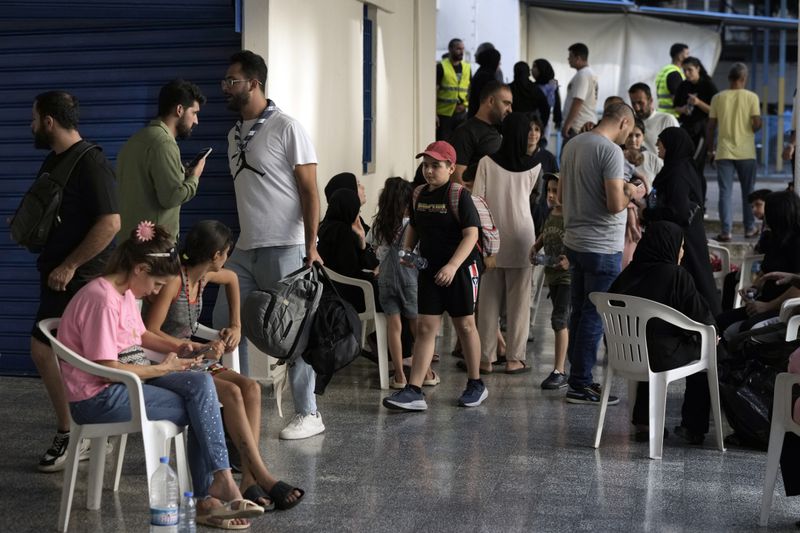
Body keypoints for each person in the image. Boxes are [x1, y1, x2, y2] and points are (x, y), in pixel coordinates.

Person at [57, 223, 265, 529]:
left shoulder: (124, 292)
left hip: (126, 383)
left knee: (201, 383)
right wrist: (160, 369)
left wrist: (185, 347)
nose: (156, 292)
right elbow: (109, 368)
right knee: (201, 406)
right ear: (141, 268)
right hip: (98, 397)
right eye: (156, 284)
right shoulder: (102, 299)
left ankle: (217, 484)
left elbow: (140, 336)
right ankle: (210, 495)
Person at [142, 220, 304, 511]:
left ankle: (248, 480)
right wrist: (191, 347)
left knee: (251, 388)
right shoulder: (176, 281)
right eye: (227, 252)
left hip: (193, 360)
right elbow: (150, 333)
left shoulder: (202, 277)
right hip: (167, 363)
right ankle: (262, 476)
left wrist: (236, 325)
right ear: (216, 254)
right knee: (231, 392)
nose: (227, 259)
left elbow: (231, 281)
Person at [213, 50, 324, 441]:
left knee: (292, 332)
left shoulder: (286, 127)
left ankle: (309, 412)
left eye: (232, 81)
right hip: (246, 247)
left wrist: (311, 245)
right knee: (224, 325)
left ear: (254, 83)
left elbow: (310, 191)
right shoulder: (233, 134)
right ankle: (234, 401)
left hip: (286, 245)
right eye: (225, 81)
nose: (225, 88)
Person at [26, 91, 121, 472]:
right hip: (56, 275)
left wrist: (70, 265)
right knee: (62, 355)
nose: (30, 126)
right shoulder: (55, 160)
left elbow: (111, 223)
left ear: (49, 121)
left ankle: (74, 433)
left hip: (76, 279)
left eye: (34, 118)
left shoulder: (91, 163)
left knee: (46, 350)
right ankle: (89, 432)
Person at [382, 141, 486, 410]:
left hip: (461, 269)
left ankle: (476, 383)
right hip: (429, 269)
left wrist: (452, 266)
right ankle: (414, 389)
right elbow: (414, 226)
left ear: (451, 168)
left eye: (436, 166)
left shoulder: (458, 195)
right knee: (426, 326)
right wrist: (406, 251)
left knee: (465, 326)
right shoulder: (418, 194)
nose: (429, 171)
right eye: (426, 165)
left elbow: (471, 234)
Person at [558, 102, 642, 404]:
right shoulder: (610, 151)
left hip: (575, 241)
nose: (628, 137)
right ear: (623, 122)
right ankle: (580, 384)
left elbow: (563, 194)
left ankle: (576, 378)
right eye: (629, 131)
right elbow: (613, 204)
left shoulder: (572, 145)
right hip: (602, 245)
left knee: (579, 310)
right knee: (594, 315)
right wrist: (633, 192)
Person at [609, 221, 715, 444]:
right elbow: (702, 319)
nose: (683, 251)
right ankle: (692, 426)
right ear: (670, 245)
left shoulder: (627, 273)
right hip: (660, 356)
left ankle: (644, 421)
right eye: (681, 246)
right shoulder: (677, 276)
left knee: (654, 342)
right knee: (706, 349)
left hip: (624, 353)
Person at [473, 113, 541, 374]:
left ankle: (486, 358)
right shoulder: (534, 166)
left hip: (492, 239)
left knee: (488, 301)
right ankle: (514, 359)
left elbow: (477, 201)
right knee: (519, 303)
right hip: (523, 237)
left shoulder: (487, 163)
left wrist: (481, 239)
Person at [367, 177, 438, 388]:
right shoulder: (411, 225)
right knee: (418, 328)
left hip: (386, 282)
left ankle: (399, 375)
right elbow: (416, 254)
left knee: (394, 327)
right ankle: (426, 373)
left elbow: (373, 245)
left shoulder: (379, 224)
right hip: (409, 281)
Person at [642, 127, 721, 316]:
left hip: (682, 241)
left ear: (672, 145)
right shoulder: (684, 167)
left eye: (660, 142)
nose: (657, 146)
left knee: (689, 285)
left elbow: (677, 210)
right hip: (687, 236)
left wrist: (647, 213)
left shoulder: (678, 173)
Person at [116, 79, 207, 241]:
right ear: (179, 110)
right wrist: (194, 177)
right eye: (194, 113)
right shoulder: (164, 143)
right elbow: (171, 198)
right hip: (154, 249)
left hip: (129, 244)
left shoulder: (137, 139)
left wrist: (181, 175)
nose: (196, 121)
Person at [716, 190, 800, 337]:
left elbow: (798, 288)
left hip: (785, 309)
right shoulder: (776, 237)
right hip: (764, 302)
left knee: (746, 331)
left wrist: (767, 306)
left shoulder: (797, 243)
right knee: (719, 322)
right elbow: (766, 271)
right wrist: (754, 287)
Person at [707, 62, 762, 242]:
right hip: (746, 152)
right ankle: (749, 228)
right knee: (749, 192)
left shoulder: (718, 98)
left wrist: (710, 149)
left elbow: (711, 126)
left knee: (725, 192)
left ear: (730, 78)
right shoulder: (752, 97)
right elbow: (756, 124)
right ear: (744, 78)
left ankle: (726, 231)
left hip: (724, 152)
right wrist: (754, 127)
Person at [530, 173, 570, 389]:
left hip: (567, 278)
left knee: (558, 320)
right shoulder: (552, 213)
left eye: (557, 191)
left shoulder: (572, 215)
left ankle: (559, 370)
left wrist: (570, 259)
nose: (552, 195)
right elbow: (545, 234)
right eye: (549, 191)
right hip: (552, 275)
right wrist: (535, 247)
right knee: (563, 320)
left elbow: (579, 240)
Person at [317, 189, 379, 312]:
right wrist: (372, 274)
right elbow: (351, 270)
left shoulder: (323, 227)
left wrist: (361, 242)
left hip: (329, 289)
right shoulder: (344, 232)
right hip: (347, 293)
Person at [449, 80, 512, 183]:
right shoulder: (465, 132)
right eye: (506, 103)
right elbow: (457, 179)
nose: (510, 110)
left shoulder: (498, 130)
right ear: (491, 101)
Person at [673, 56, 718, 177]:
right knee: (683, 165)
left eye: (690, 70)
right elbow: (676, 106)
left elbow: (715, 111)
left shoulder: (708, 85)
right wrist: (682, 109)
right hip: (686, 129)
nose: (687, 73)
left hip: (702, 131)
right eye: (684, 71)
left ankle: (698, 195)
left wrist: (698, 103)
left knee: (696, 165)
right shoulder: (683, 86)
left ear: (698, 68)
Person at [628, 82, 679, 155]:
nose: (637, 108)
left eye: (640, 103)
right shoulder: (630, 122)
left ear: (651, 100)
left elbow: (677, 151)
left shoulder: (667, 120)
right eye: (633, 103)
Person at [436, 38, 471, 141]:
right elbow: (434, 91)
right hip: (444, 114)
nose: (461, 52)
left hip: (461, 113)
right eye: (458, 49)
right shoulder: (441, 67)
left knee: (459, 142)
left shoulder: (467, 67)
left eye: (463, 49)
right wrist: (434, 114)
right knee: (444, 143)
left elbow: (470, 89)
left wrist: (465, 104)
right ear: (450, 49)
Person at [561, 43, 598, 139]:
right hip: (587, 122)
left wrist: (567, 124)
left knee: (570, 153)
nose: (568, 59)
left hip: (578, 126)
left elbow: (578, 101)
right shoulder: (591, 73)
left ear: (578, 58)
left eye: (570, 56)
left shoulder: (582, 75)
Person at [655, 43, 689, 118]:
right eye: (687, 54)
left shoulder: (664, 70)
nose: (688, 57)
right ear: (680, 56)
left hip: (662, 114)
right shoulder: (675, 74)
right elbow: (677, 100)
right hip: (672, 117)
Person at [468, 48, 502, 119]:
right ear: (493, 62)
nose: (500, 64)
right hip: (482, 118)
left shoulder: (481, 72)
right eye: (498, 61)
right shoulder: (487, 77)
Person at [531, 58, 562, 138]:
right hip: (531, 121)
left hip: (545, 121)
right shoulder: (531, 85)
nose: (532, 69)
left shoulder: (552, 86)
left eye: (535, 67)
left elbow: (557, 104)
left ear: (542, 69)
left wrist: (558, 120)